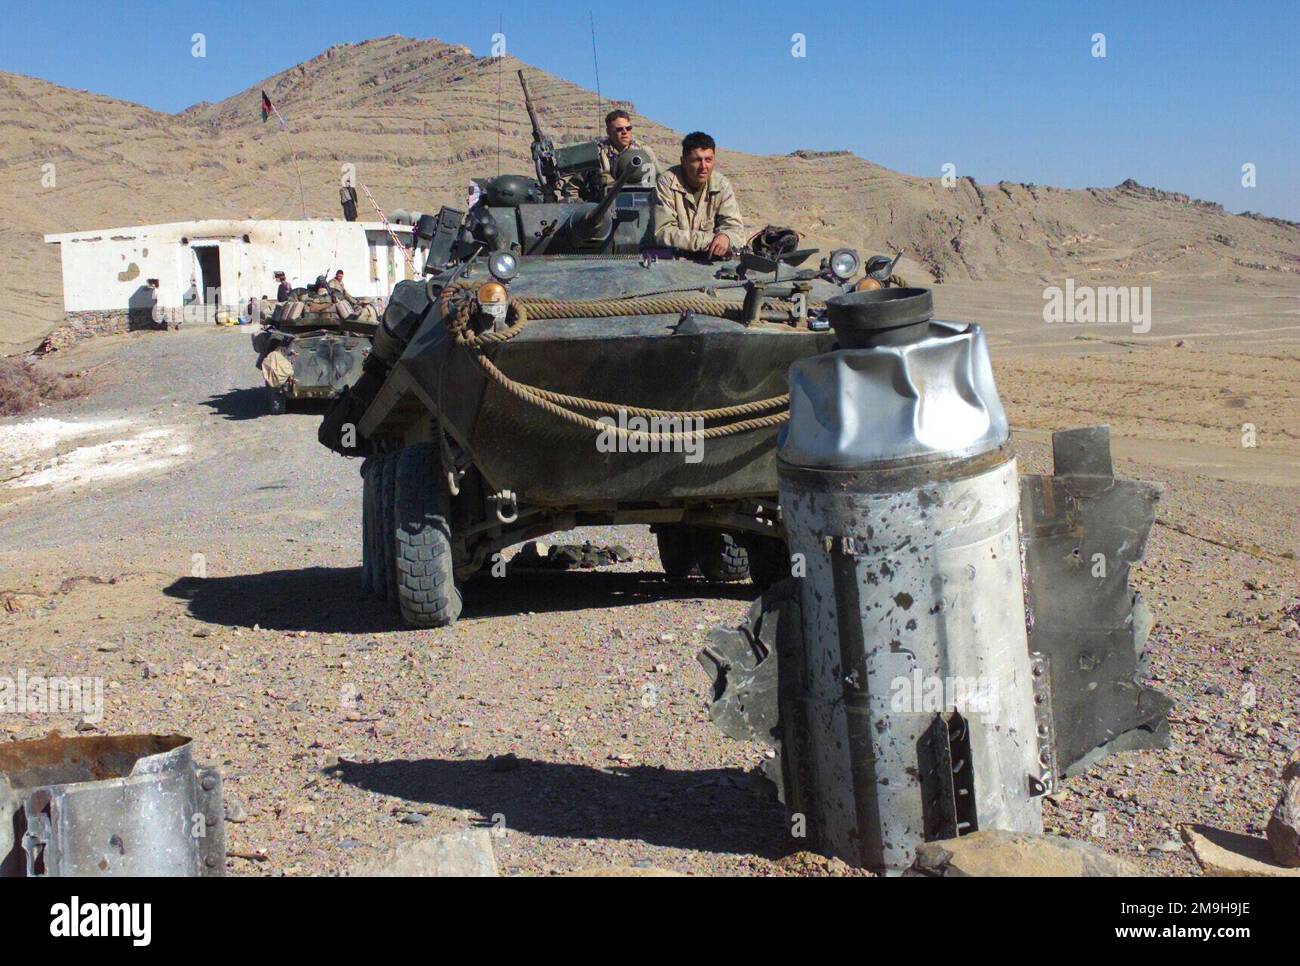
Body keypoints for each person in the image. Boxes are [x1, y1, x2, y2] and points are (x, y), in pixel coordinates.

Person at [653, 132, 744, 258]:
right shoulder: (667, 182)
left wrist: (726, 238)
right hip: (669, 260)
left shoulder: (721, 184)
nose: (703, 167)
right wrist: (709, 241)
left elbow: (735, 228)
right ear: (683, 161)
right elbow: (663, 232)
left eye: (708, 160)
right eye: (696, 160)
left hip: (707, 261)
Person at [592, 109, 657, 192]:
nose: (625, 132)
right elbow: (574, 186)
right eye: (619, 129)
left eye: (628, 128)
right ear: (608, 131)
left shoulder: (644, 152)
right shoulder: (597, 153)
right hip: (602, 201)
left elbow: (659, 178)